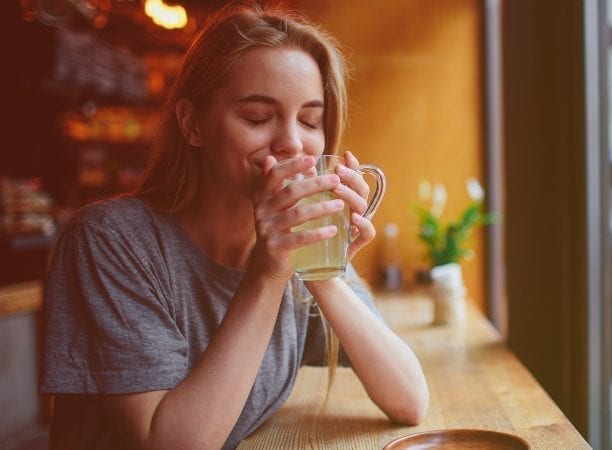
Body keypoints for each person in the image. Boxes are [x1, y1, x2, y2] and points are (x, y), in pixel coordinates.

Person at [39, 2, 429, 449]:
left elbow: (409, 400)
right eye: (257, 118)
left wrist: (324, 268)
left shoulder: (294, 236)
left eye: (310, 120)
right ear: (192, 124)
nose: (291, 143)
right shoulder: (109, 240)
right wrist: (268, 272)